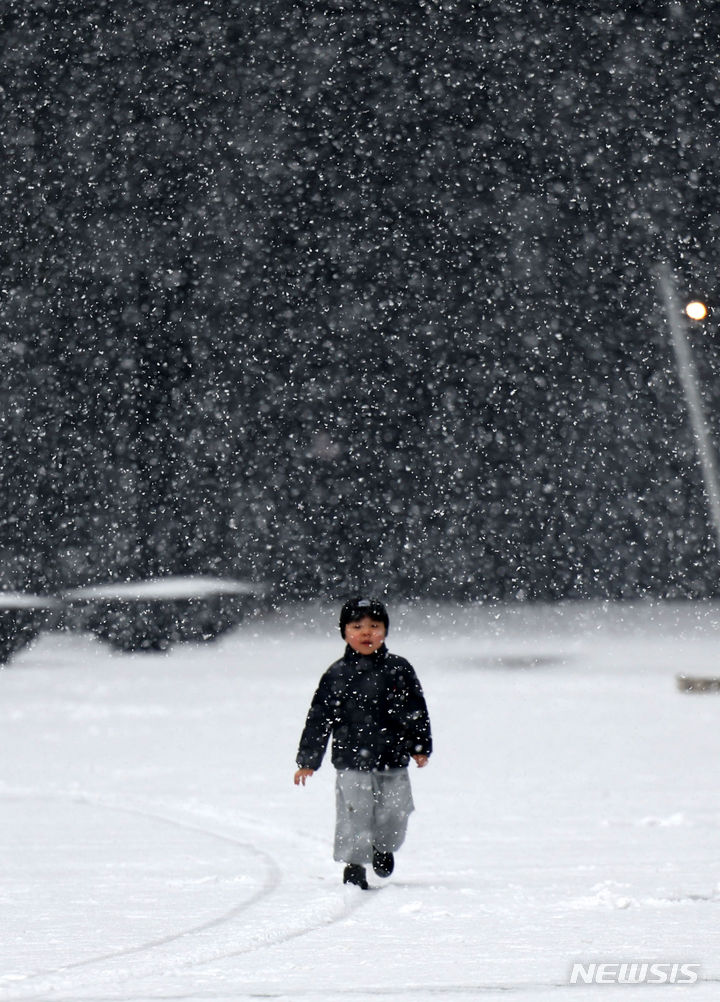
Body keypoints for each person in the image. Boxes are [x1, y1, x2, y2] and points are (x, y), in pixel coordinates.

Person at [294, 597, 432, 889]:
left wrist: (419, 746)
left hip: (392, 759)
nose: (366, 633)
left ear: (385, 631)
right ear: (345, 632)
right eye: (357, 626)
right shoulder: (336, 675)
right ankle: (354, 865)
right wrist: (308, 760)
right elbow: (319, 718)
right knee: (354, 813)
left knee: (395, 812)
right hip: (351, 759)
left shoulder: (399, 670)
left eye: (374, 626)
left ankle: (383, 848)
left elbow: (415, 710)